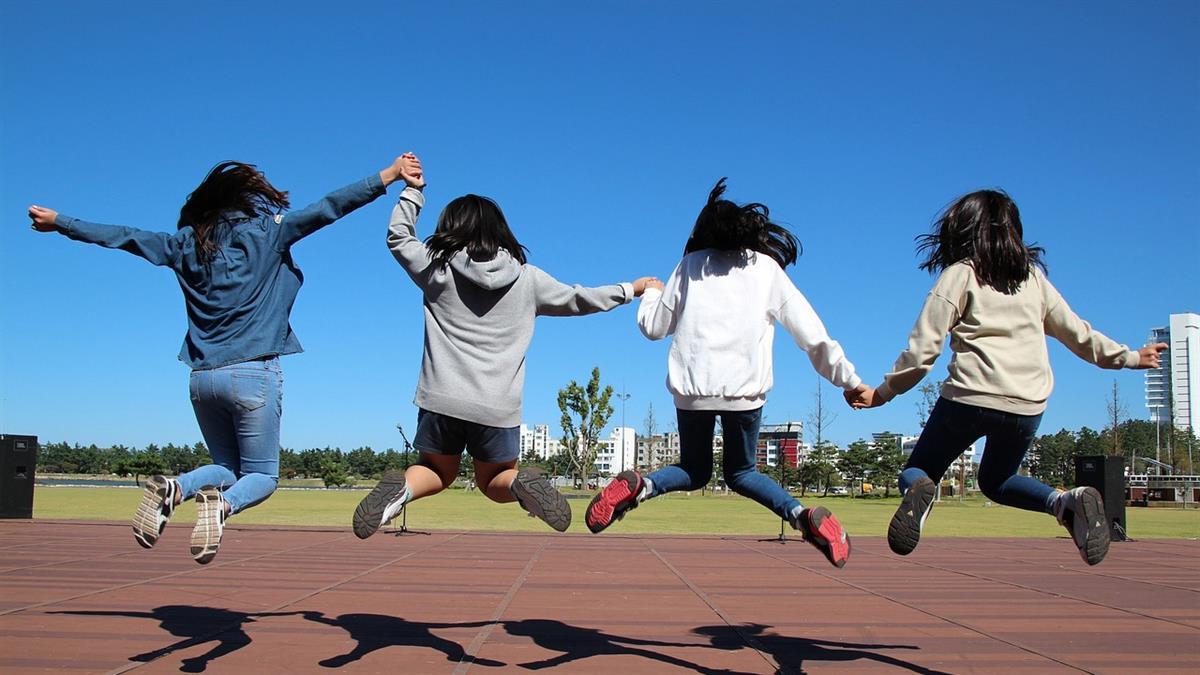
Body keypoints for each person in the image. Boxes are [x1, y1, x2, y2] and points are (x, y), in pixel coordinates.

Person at [29, 155, 412, 563]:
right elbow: (330, 207)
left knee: (226, 468)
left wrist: (61, 222)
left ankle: (177, 488)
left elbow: (126, 236)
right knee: (262, 476)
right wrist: (388, 175)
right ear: (243, 200)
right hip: (253, 373)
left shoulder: (183, 245)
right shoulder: (268, 232)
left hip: (201, 378)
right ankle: (222, 507)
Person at [847, 189, 1166, 566]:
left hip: (968, 398)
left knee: (919, 471)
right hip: (1026, 406)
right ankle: (1065, 502)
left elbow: (922, 354)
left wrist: (882, 394)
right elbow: (1079, 335)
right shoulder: (1033, 280)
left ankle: (920, 490)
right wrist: (1129, 357)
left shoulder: (960, 274)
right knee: (997, 481)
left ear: (961, 230)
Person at [351, 154, 656, 537]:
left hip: (440, 398)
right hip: (497, 406)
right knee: (495, 480)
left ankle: (401, 491)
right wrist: (631, 289)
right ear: (500, 232)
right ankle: (519, 485)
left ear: (450, 228)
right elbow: (580, 299)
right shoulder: (528, 280)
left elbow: (399, 237)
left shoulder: (438, 269)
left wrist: (412, 192)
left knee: (435, 471)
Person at [584, 178, 865, 568]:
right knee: (742, 472)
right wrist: (849, 381)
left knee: (693, 469)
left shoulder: (689, 267)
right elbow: (811, 334)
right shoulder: (766, 270)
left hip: (693, 392)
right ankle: (802, 517)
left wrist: (650, 291)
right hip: (744, 394)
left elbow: (653, 328)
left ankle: (641, 486)